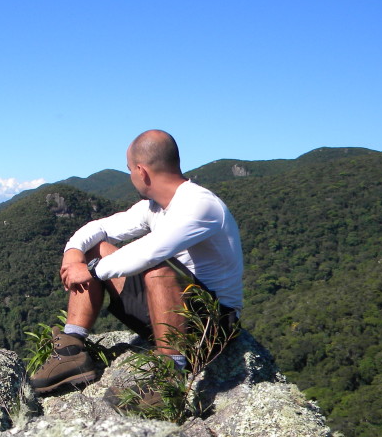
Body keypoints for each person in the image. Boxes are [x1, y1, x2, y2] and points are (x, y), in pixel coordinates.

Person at [30, 129, 244, 395]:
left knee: (157, 267)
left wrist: (91, 272)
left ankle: (169, 377)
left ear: (141, 172)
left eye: (130, 169)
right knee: (95, 249)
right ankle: (71, 349)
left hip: (211, 326)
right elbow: (98, 228)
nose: (131, 176)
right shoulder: (154, 207)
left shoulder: (200, 205)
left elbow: (150, 251)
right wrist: (73, 254)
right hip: (169, 311)